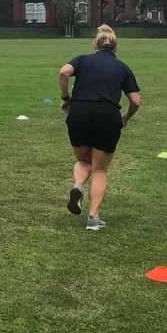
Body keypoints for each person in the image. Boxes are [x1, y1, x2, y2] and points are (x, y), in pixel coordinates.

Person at [58, 25, 141, 231]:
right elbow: (135, 101)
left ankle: (78, 185)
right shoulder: (122, 68)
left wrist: (66, 99)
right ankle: (93, 218)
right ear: (115, 47)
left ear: (95, 45)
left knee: (82, 160)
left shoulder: (82, 60)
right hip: (107, 115)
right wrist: (126, 118)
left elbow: (64, 72)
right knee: (100, 169)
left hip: (78, 113)